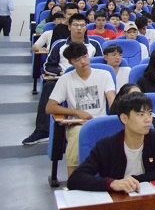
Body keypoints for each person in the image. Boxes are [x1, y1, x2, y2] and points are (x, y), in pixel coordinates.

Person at [67, 92, 155, 192]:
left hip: (147, 197)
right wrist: (112, 183)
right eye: (141, 114)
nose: (148, 119)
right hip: (116, 201)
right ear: (124, 118)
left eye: (149, 113)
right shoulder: (106, 146)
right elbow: (75, 179)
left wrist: (136, 179)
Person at [23, 14, 103, 145]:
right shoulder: (59, 45)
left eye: (82, 25)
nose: (79, 28)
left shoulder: (94, 44)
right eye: (75, 25)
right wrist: (61, 73)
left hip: (89, 79)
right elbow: (48, 66)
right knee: (49, 86)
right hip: (64, 79)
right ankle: (42, 131)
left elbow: (100, 65)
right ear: (69, 27)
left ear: (86, 27)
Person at [45, 42, 116, 174]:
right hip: (77, 124)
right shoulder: (66, 79)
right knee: (78, 134)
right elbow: (50, 107)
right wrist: (76, 112)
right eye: (77, 60)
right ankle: (72, 179)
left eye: (84, 56)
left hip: (100, 121)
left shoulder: (104, 74)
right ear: (71, 62)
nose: (83, 61)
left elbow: (112, 100)